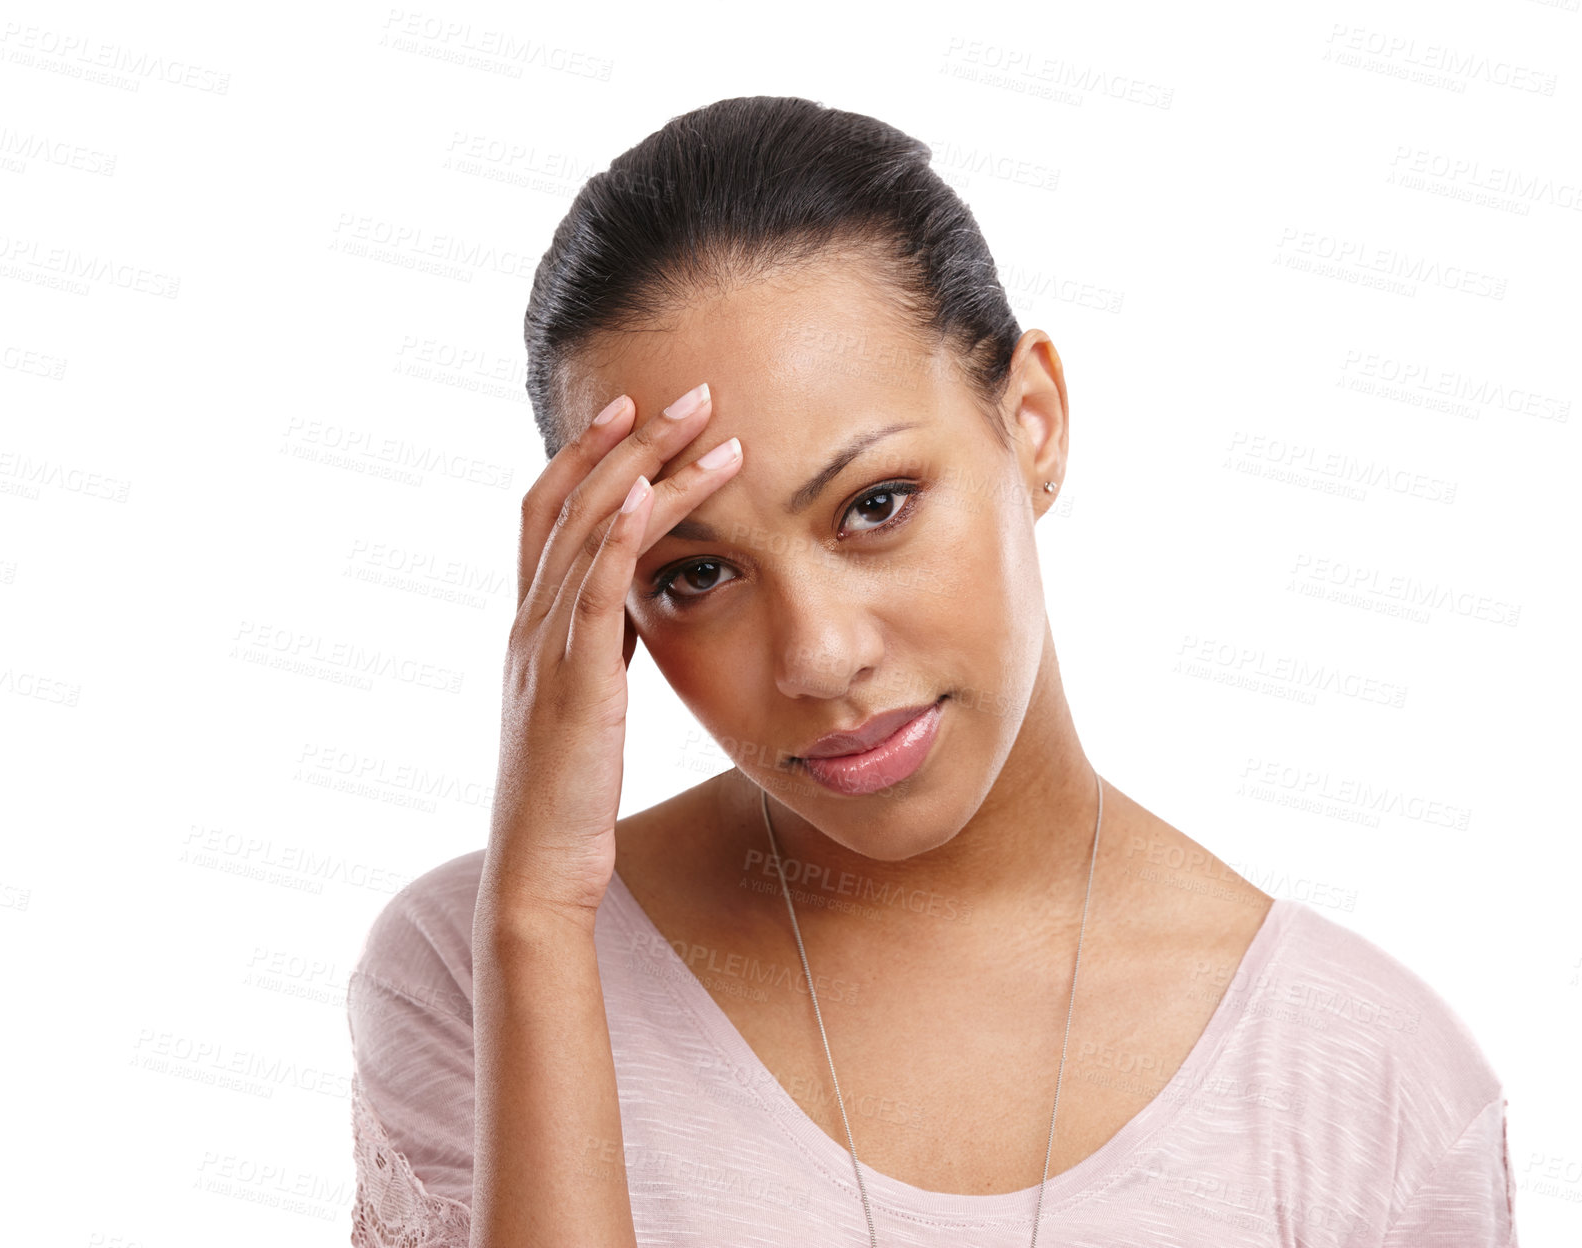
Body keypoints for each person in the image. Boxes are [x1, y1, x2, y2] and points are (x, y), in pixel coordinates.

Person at [346, 96, 1519, 1247]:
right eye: (694, 575)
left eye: (874, 506)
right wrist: (542, 922)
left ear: (1033, 422)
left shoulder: (1367, 1085)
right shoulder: (475, 972)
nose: (816, 655)